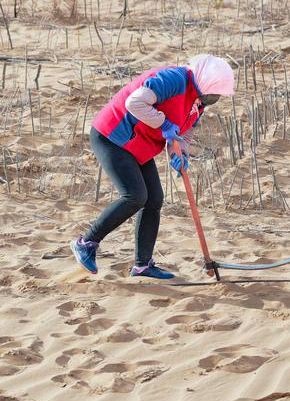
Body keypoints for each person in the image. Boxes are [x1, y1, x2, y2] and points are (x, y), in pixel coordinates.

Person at [70, 55, 235, 280]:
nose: (214, 99)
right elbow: (135, 103)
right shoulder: (173, 79)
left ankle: (142, 266)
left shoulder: (198, 103)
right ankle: (86, 242)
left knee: (154, 199)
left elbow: (182, 137)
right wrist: (164, 123)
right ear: (205, 82)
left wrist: (180, 155)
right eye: (214, 93)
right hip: (112, 136)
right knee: (135, 195)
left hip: (138, 145)